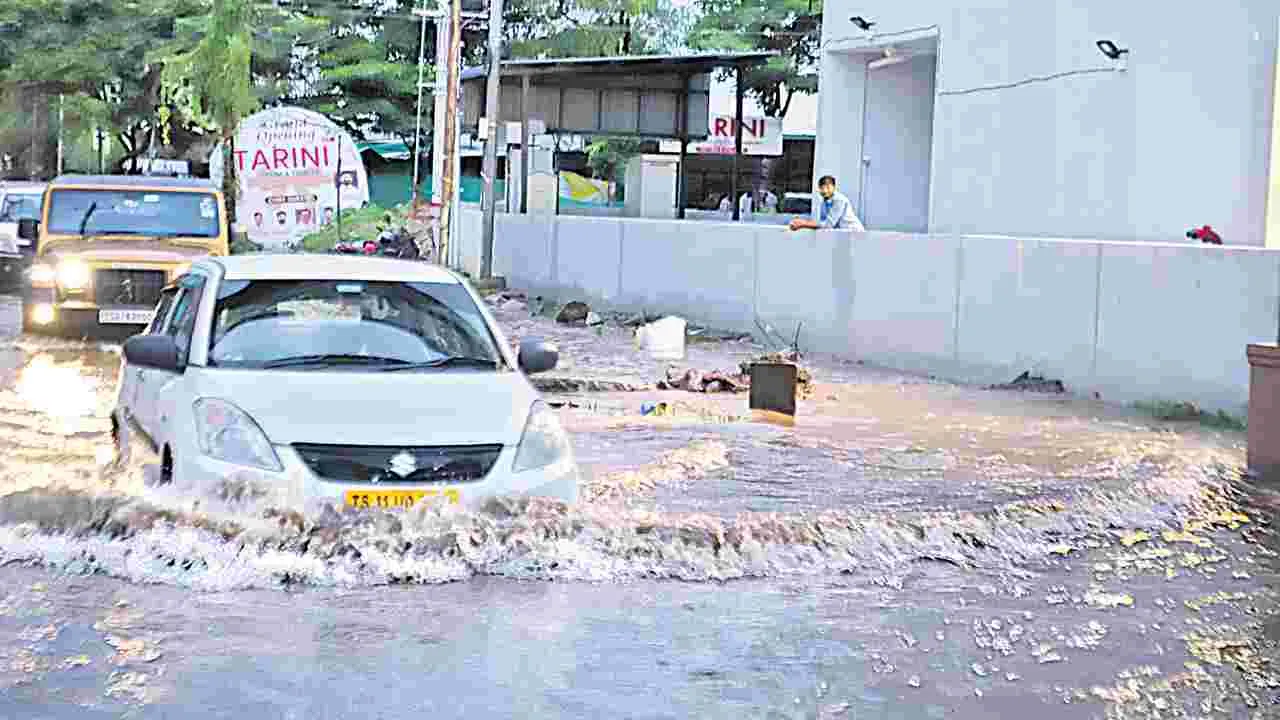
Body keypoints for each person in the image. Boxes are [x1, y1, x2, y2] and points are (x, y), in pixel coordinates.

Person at [789, 175, 865, 231]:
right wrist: (801, 223)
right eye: (822, 188)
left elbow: (828, 225)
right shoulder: (824, 202)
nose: (825, 191)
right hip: (843, 235)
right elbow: (822, 224)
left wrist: (803, 223)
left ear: (834, 187)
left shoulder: (839, 200)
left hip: (855, 233)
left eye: (828, 188)